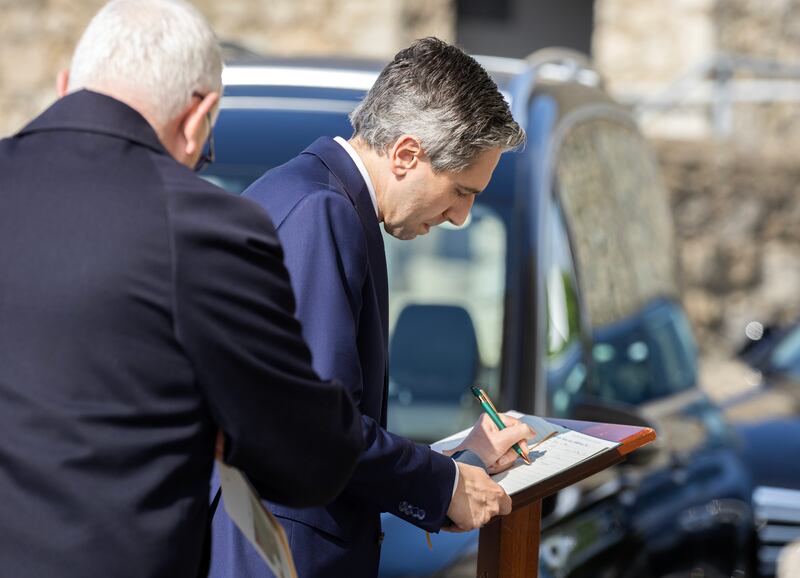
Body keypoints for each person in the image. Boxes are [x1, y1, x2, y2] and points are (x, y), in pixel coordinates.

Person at [0, 1, 364, 577]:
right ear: (200, 117)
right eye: (207, 147)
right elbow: (309, 459)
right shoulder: (207, 229)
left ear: (66, 85)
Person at [211, 38, 529, 578]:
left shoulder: (309, 195)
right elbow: (316, 428)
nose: (460, 217)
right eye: (460, 191)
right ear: (406, 154)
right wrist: (443, 484)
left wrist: (457, 463)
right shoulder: (322, 211)